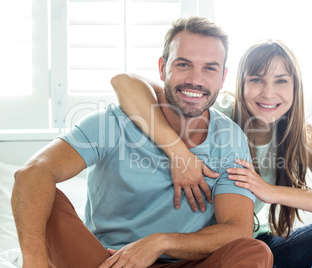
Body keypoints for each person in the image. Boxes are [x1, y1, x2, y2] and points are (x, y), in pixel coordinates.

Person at [11, 17, 273, 268]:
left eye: (210, 68)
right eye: (183, 64)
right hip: (106, 260)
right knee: (40, 193)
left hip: (186, 262)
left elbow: (236, 230)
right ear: (162, 67)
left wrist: (160, 242)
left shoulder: (230, 137)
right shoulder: (111, 123)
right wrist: (34, 263)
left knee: (253, 250)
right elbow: (31, 174)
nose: (195, 79)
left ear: (223, 77)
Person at [111, 39, 312, 267]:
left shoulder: (303, 134)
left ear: (295, 87)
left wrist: (270, 191)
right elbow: (124, 82)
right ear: (240, 83)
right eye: (256, 80)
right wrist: (179, 152)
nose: (268, 93)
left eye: (281, 81)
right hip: (206, 244)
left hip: (255, 243)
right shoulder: (217, 112)